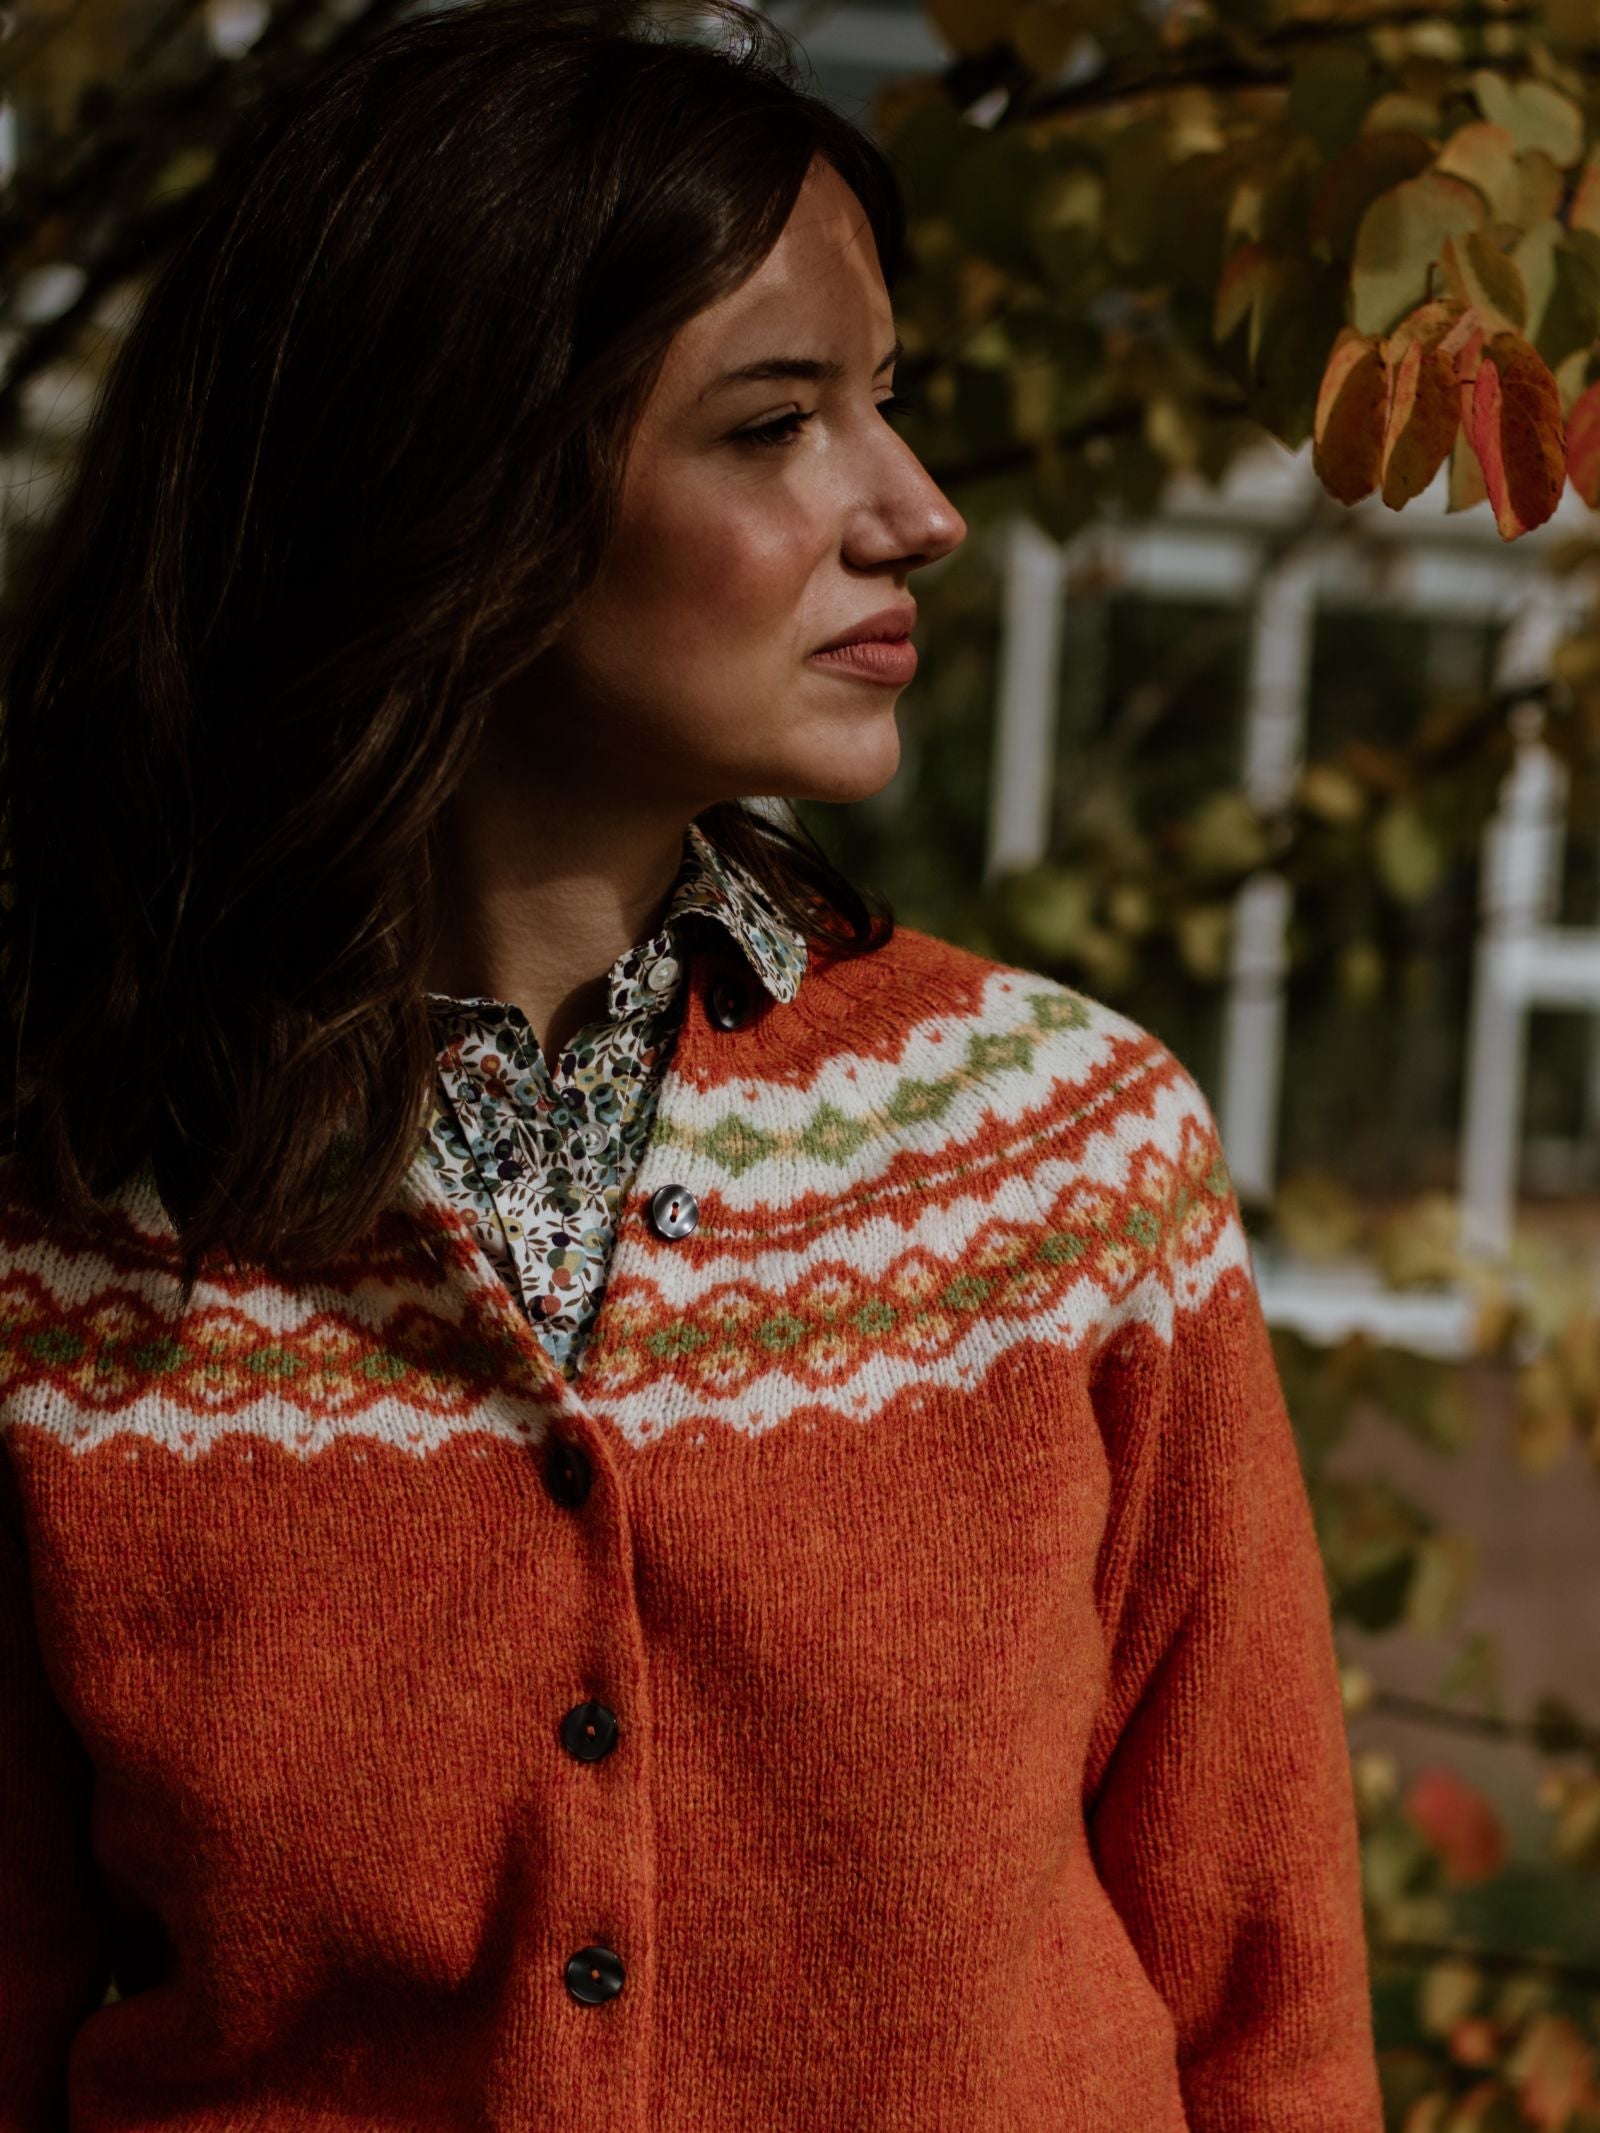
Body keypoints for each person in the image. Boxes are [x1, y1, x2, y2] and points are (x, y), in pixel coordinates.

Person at [0, 2, 1384, 2127]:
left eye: (888, 408)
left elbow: (1265, 2010)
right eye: (773, 426)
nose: (912, 511)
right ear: (449, 481)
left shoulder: (1053, 1159)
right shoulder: (74, 1217)